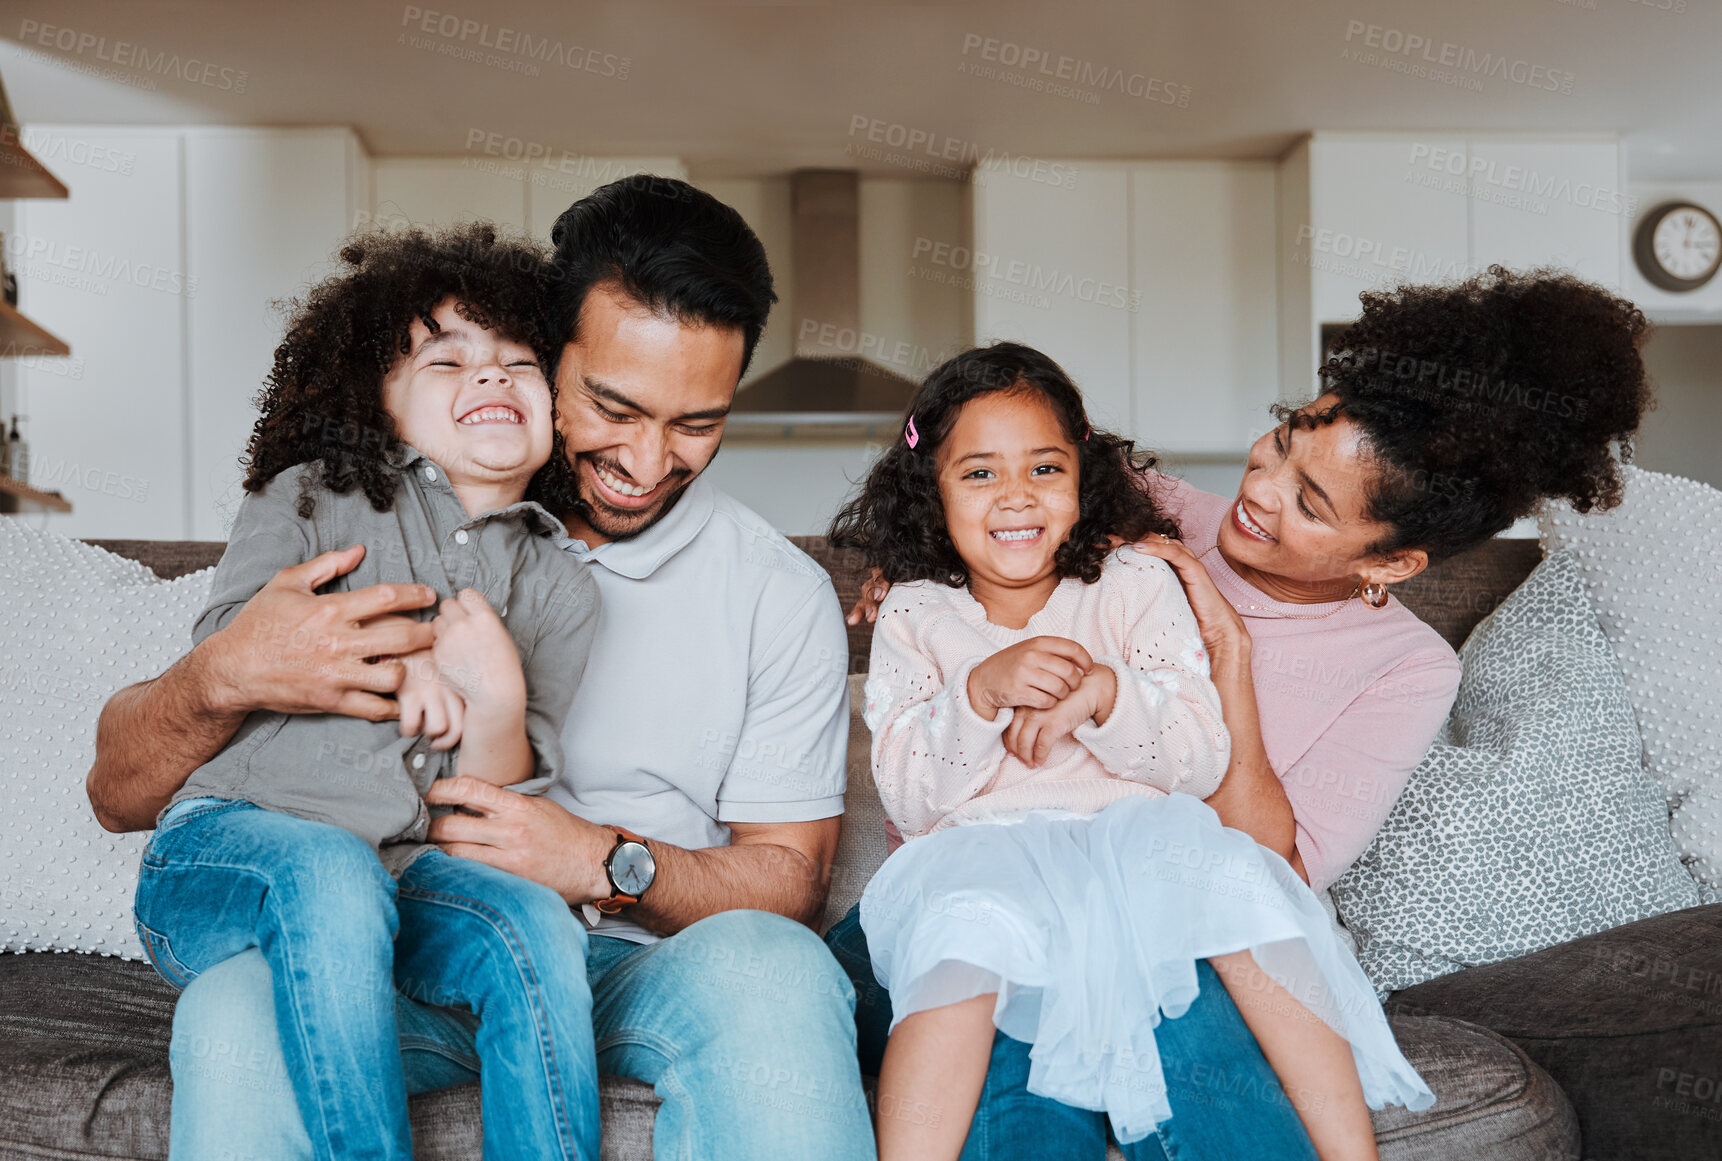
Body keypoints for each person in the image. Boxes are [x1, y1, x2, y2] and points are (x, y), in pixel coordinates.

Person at [88, 177, 874, 1161]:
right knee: (237, 1011)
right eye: (613, 404)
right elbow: (121, 790)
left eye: (696, 423)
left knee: (780, 970)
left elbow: (789, 878)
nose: (645, 455)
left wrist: (601, 859)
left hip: (620, 970)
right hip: (382, 945)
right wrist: (224, 673)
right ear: (546, 351)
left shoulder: (774, 591)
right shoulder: (351, 515)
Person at [832, 266, 1655, 1160]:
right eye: (1285, 440)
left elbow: (1267, 871)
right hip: (985, 884)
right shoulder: (1150, 513)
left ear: (1391, 563)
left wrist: (1230, 654)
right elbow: (991, 483)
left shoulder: (1408, 667)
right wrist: (911, 576)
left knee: (1189, 1026)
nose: (1259, 491)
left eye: (1309, 502)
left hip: (1181, 904)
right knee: (1018, 1041)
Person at [831, 343, 1431, 1161]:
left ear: (1083, 477)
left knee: (1245, 900)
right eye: (977, 475)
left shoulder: (1136, 580)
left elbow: (1196, 755)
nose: (1015, 494)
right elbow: (909, 790)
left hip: (1135, 845)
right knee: (959, 957)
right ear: (929, 492)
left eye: (1045, 470)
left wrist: (1108, 695)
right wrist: (977, 692)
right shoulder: (915, 611)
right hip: (981, 858)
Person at [130, 224, 603, 1161]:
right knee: (328, 872)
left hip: (405, 870)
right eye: (446, 358)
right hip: (227, 847)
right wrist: (402, 655)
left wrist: (498, 705)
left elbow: (491, 804)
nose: (493, 376)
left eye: (520, 362)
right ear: (376, 399)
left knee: (537, 928)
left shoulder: (559, 580)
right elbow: (228, 653)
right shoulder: (309, 497)